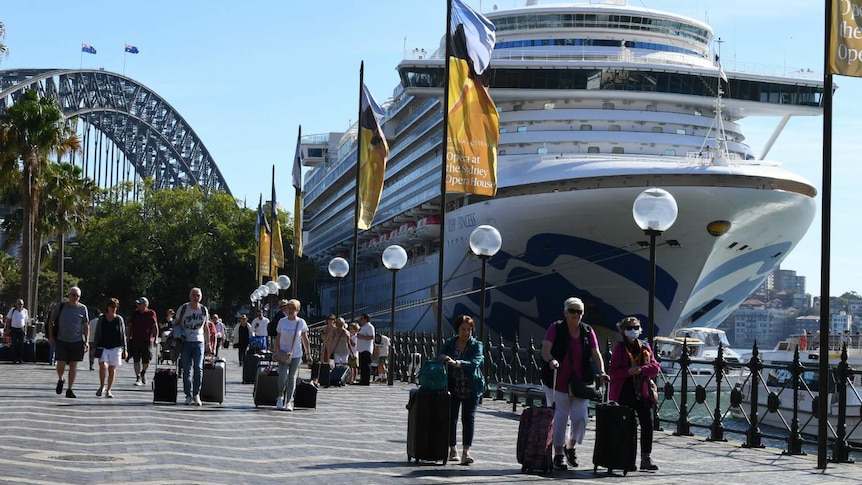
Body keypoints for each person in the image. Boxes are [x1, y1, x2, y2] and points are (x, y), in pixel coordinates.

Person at [540, 297, 607, 470]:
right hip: (558, 380)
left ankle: (570, 446)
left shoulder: (587, 331)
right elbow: (545, 350)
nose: (575, 315)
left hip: (580, 382)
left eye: (579, 312)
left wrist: (602, 372)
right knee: (560, 417)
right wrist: (552, 360)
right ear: (565, 312)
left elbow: (596, 353)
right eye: (572, 311)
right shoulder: (555, 328)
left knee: (580, 418)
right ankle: (558, 454)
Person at [608, 316, 661, 471]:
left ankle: (646, 457)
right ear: (623, 331)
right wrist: (628, 371)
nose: (633, 331)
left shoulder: (644, 346)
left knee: (648, 423)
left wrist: (641, 369)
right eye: (630, 328)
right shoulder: (619, 348)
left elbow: (655, 367)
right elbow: (614, 372)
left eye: (636, 328)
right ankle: (627, 459)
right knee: (627, 427)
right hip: (625, 391)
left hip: (643, 392)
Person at [438, 315, 485, 465]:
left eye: (469, 329)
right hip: (453, 386)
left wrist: (458, 363)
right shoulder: (451, 343)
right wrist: (443, 357)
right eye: (463, 329)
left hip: (472, 386)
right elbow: (439, 355)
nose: (466, 332)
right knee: (452, 418)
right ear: (457, 329)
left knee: (468, 419)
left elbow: (475, 362)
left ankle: (466, 452)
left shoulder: (476, 345)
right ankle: (453, 449)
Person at [47, 287, 90, 398]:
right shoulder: (61, 307)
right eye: (73, 295)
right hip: (62, 340)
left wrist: (87, 341)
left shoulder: (82, 308)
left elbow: (86, 325)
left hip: (76, 341)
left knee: (73, 366)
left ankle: (70, 389)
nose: (75, 297)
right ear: (69, 295)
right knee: (60, 364)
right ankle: (61, 379)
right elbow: (51, 321)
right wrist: (50, 336)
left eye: (77, 296)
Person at [174, 287, 212, 406]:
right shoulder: (184, 308)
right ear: (190, 296)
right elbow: (176, 323)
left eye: (198, 295)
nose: (196, 298)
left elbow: (206, 327)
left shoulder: (204, 310)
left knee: (198, 368)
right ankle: (188, 395)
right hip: (185, 342)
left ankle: (196, 394)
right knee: (186, 369)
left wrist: (208, 343)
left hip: (198, 342)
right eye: (194, 295)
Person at [274, 299, 312, 411]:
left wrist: (308, 354)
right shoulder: (282, 321)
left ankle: (289, 401)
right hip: (283, 353)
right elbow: (278, 338)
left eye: (294, 309)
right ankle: (280, 396)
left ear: (298, 310)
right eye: (289, 308)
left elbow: (305, 339)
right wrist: (275, 351)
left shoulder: (301, 322)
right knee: (282, 376)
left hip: (296, 353)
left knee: (292, 377)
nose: (291, 311)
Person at [94, 298, 128, 399]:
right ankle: (101, 386)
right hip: (103, 346)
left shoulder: (119, 319)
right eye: (112, 307)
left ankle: (108, 390)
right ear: (107, 307)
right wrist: (94, 347)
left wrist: (125, 349)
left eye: (116, 307)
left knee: (112, 369)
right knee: (103, 365)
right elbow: (97, 333)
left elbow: (123, 335)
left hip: (116, 347)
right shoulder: (102, 318)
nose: (114, 309)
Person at [128, 297, 159, 386]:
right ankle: (138, 377)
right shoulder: (135, 313)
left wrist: (156, 338)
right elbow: (130, 325)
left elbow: (155, 326)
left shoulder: (151, 313)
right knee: (136, 359)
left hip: (147, 340)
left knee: (146, 360)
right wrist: (128, 337)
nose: (137, 305)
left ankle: (143, 372)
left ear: (145, 305)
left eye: (139, 304)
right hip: (135, 339)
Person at [4, 298, 29, 364]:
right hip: (13, 329)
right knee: (14, 344)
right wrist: (7, 329)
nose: (20, 305)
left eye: (21, 304)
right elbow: (8, 320)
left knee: (21, 345)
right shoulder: (12, 310)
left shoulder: (25, 311)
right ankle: (14, 359)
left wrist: (25, 330)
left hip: (21, 329)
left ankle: (20, 359)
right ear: (16, 304)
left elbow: (26, 321)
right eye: (19, 304)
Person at [356, 314, 375, 385]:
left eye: (361, 319)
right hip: (361, 349)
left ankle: (366, 380)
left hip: (366, 349)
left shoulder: (369, 327)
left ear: (365, 319)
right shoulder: (363, 327)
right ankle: (362, 379)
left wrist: (361, 336)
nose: (360, 320)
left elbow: (371, 337)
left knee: (366, 366)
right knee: (362, 366)